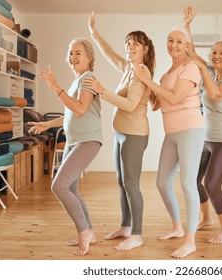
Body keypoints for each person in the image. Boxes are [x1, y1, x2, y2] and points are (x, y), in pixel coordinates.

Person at [82, 12, 156, 251]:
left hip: (135, 134)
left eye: (134, 44)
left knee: (131, 183)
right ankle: (125, 226)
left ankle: (137, 234)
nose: (129, 47)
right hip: (121, 133)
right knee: (121, 182)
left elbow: (130, 104)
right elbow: (109, 54)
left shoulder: (141, 73)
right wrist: (93, 32)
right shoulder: (128, 67)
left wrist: (102, 91)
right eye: (127, 44)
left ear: (144, 49)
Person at [133, 26, 204, 258]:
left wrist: (149, 82)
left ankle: (190, 240)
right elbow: (158, 103)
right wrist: (143, 81)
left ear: (187, 46)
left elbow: (174, 97)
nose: (173, 44)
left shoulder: (191, 68)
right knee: (163, 182)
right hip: (171, 133)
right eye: (170, 40)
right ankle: (177, 226)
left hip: (190, 130)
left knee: (187, 185)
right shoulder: (166, 74)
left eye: (179, 41)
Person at [28, 38, 103, 256]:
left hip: (88, 140)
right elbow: (70, 114)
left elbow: (80, 109)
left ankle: (83, 233)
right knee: (70, 188)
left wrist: (54, 86)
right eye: (70, 53)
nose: (73, 57)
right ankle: (89, 230)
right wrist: (47, 124)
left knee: (58, 186)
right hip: (74, 139)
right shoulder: (77, 81)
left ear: (89, 58)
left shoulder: (88, 79)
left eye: (78, 53)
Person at [183, 6, 222, 244]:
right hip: (206, 136)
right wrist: (187, 27)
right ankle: (206, 218)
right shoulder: (211, 71)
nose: (215, 56)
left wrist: (203, 69)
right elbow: (192, 56)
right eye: (213, 53)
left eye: (221, 53)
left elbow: (217, 94)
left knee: (212, 184)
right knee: (193, 180)